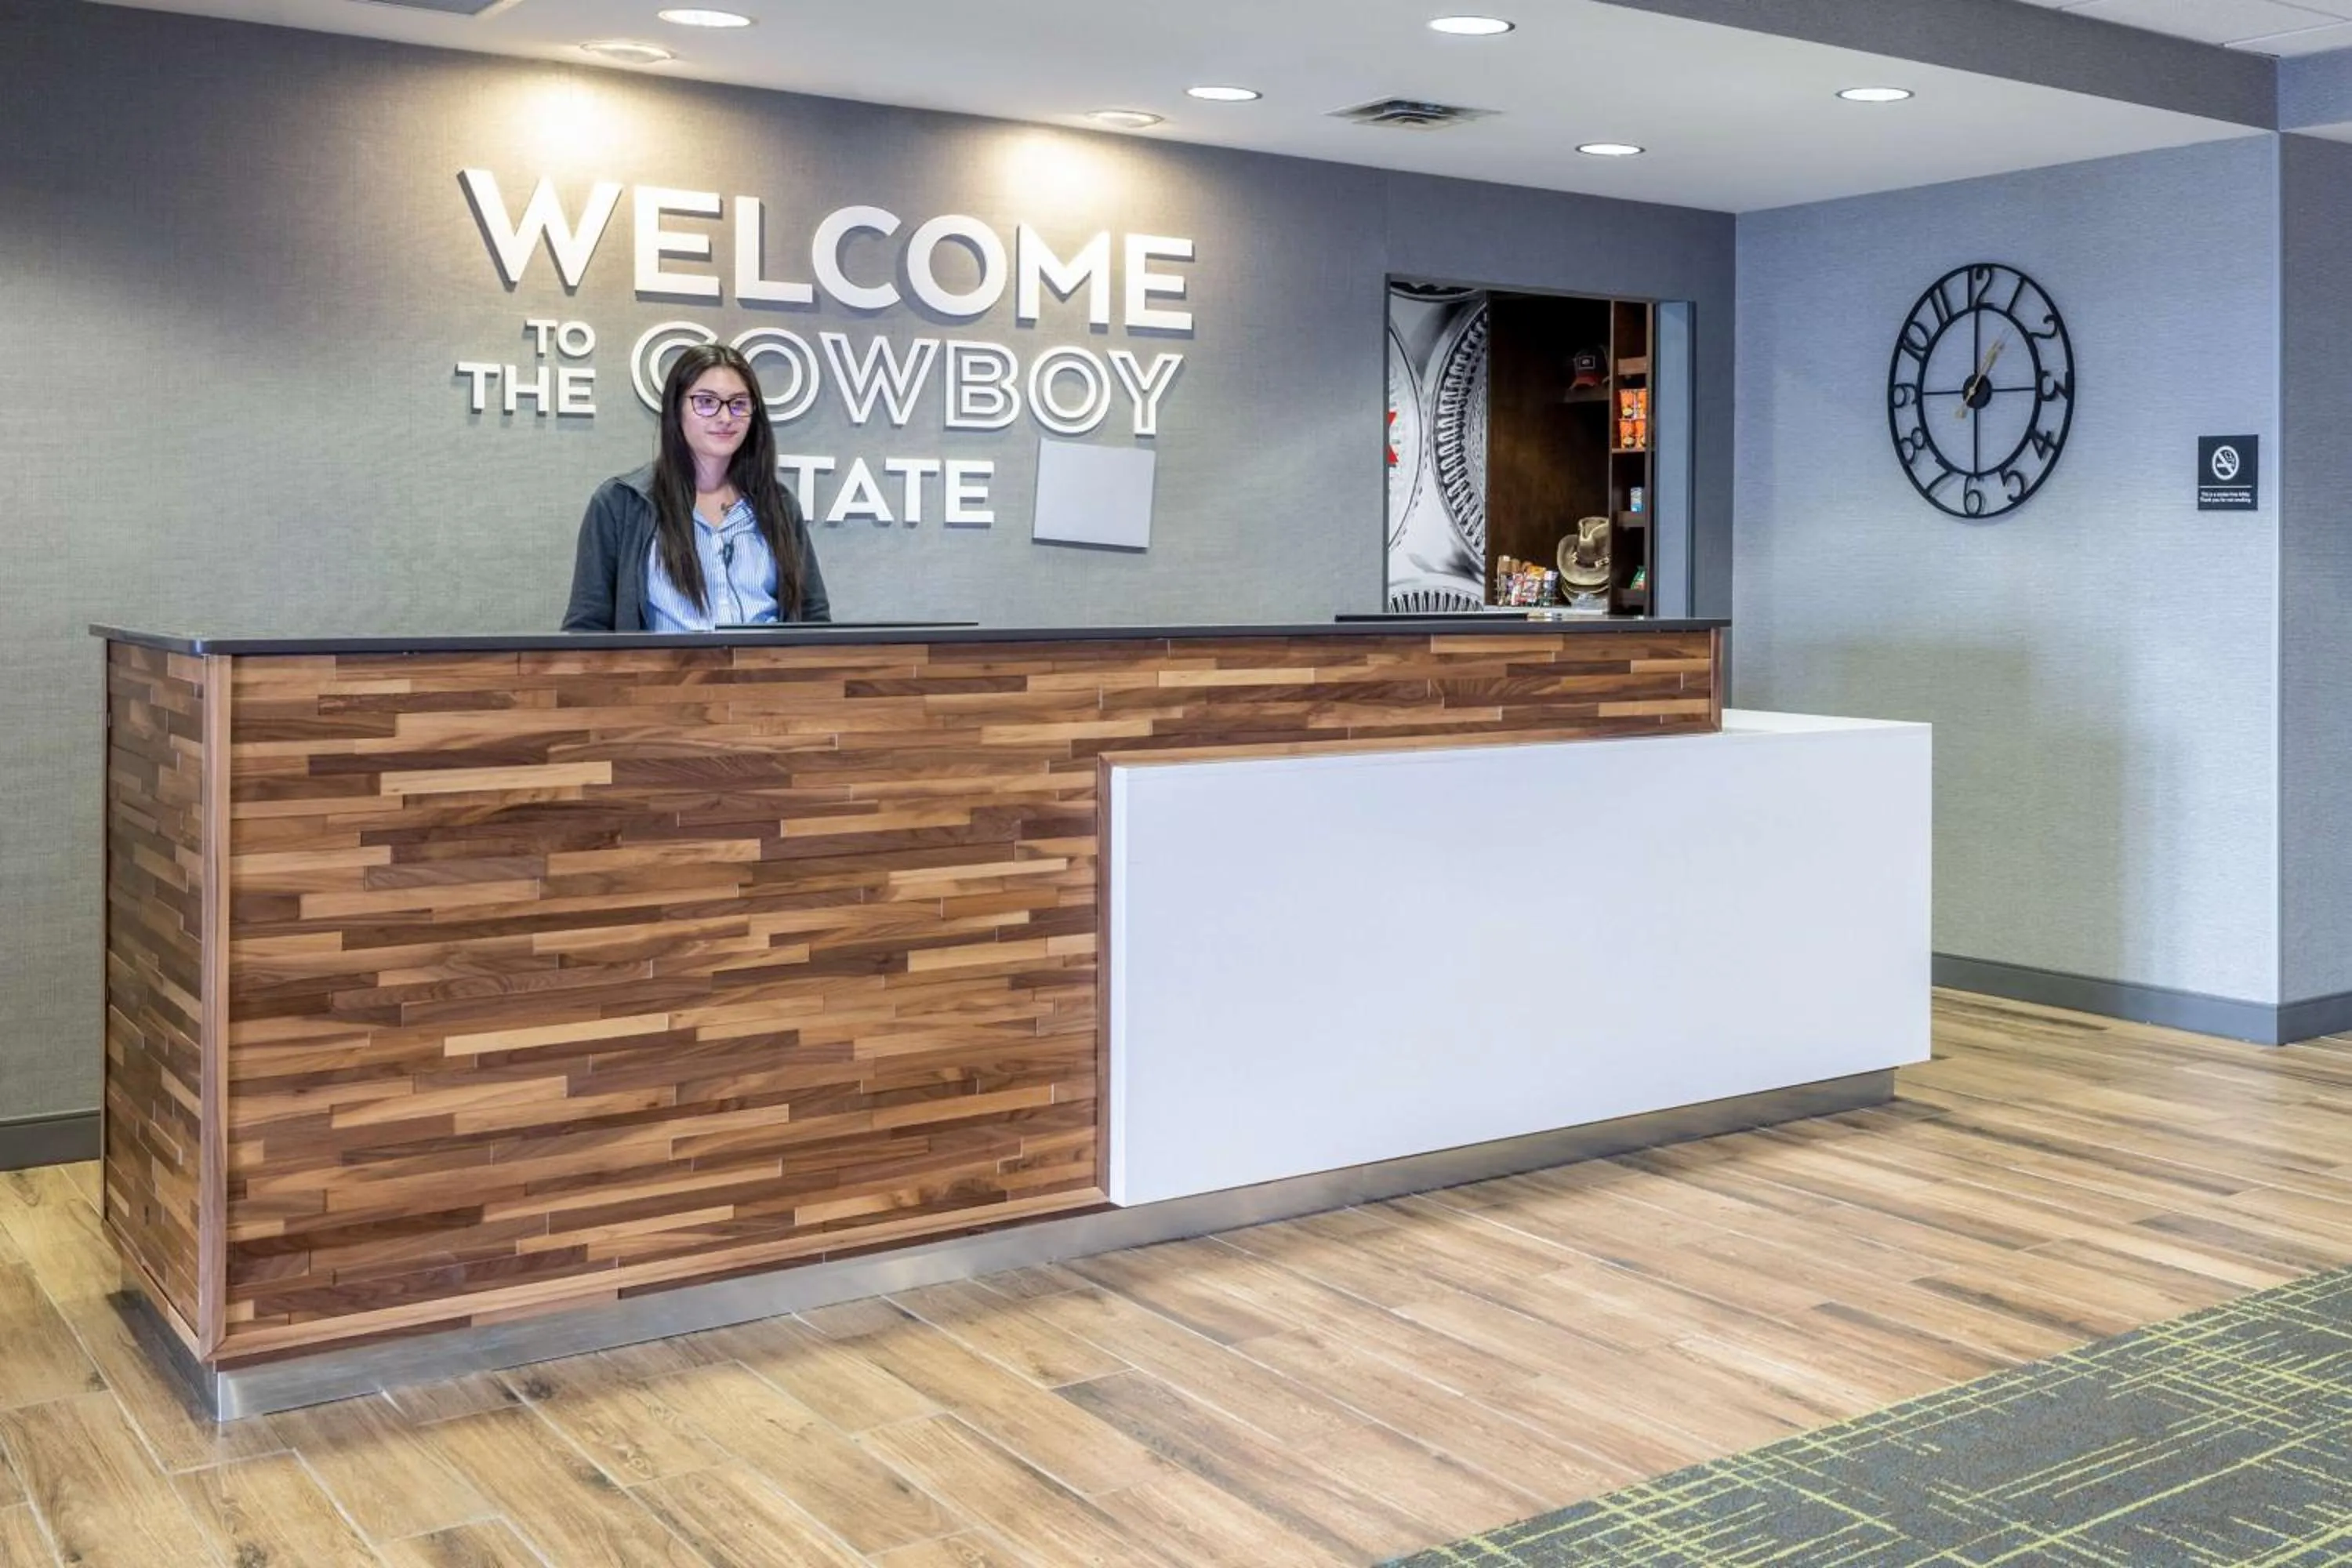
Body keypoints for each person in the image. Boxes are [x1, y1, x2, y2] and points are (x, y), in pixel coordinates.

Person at [563, 343, 830, 630]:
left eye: (739, 404)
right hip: (664, 675)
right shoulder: (622, 502)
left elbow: (813, 617)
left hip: (765, 673)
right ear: (676, 410)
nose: (726, 417)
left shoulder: (778, 503)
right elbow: (586, 627)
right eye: (706, 402)